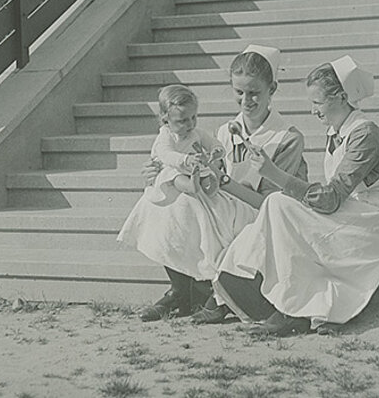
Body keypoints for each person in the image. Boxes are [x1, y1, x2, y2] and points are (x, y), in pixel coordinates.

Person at [204, 55, 379, 336]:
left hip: (373, 221)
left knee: (277, 203)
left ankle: (286, 307)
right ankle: (242, 285)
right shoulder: (337, 132)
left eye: (317, 103)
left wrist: (275, 175)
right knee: (278, 206)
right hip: (351, 213)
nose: (313, 111)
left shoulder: (366, 134)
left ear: (340, 97)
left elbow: (331, 197)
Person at [118, 44, 309, 322]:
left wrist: (224, 181)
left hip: (256, 213)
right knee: (159, 196)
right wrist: (157, 172)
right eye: (239, 93)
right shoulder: (224, 131)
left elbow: (273, 205)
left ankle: (200, 290)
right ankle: (180, 289)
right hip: (223, 203)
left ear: (273, 89)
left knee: (184, 201)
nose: (246, 101)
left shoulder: (286, 137)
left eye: (254, 93)